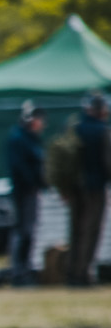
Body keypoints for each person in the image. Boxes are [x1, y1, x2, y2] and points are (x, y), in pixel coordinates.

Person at [5, 104, 46, 288]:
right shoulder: (19, 139)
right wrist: (34, 183)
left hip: (30, 190)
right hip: (23, 192)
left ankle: (23, 270)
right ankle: (19, 272)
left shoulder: (31, 139)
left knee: (28, 232)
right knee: (23, 232)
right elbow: (21, 168)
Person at [73, 93, 109, 287]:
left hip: (76, 188)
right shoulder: (102, 130)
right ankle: (83, 274)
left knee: (76, 231)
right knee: (91, 231)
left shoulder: (75, 127)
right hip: (95, 188)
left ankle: (73, 272)